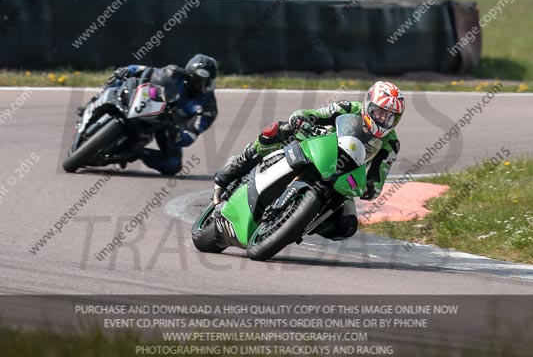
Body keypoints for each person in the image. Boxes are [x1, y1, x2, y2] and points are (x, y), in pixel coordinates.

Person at [212, 81, 405, 240]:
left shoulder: (391, 143)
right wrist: (302, 120)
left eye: (391, 118)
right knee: (280, 130)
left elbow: (379, 175)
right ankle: (239, 164)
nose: (383, 120)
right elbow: (314, 114)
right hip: (317, 148)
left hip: (343, 176)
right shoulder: (347, 108)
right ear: (368, 104)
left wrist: (371, 188)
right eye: (380, 112)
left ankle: (299, 222)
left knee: (347, 226)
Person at [80, 54, 218, 175]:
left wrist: (178, 135)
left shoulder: (208, 107)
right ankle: (92, 104)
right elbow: (146, 70)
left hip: (169, 125)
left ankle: (137, 152)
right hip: (150, 103)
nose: (200, 85)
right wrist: (126, 70)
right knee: (119, 80)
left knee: (173, 165)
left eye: (205, 82)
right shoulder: (174, 72)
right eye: (196, 80)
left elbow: (193, 133)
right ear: (189, 75)